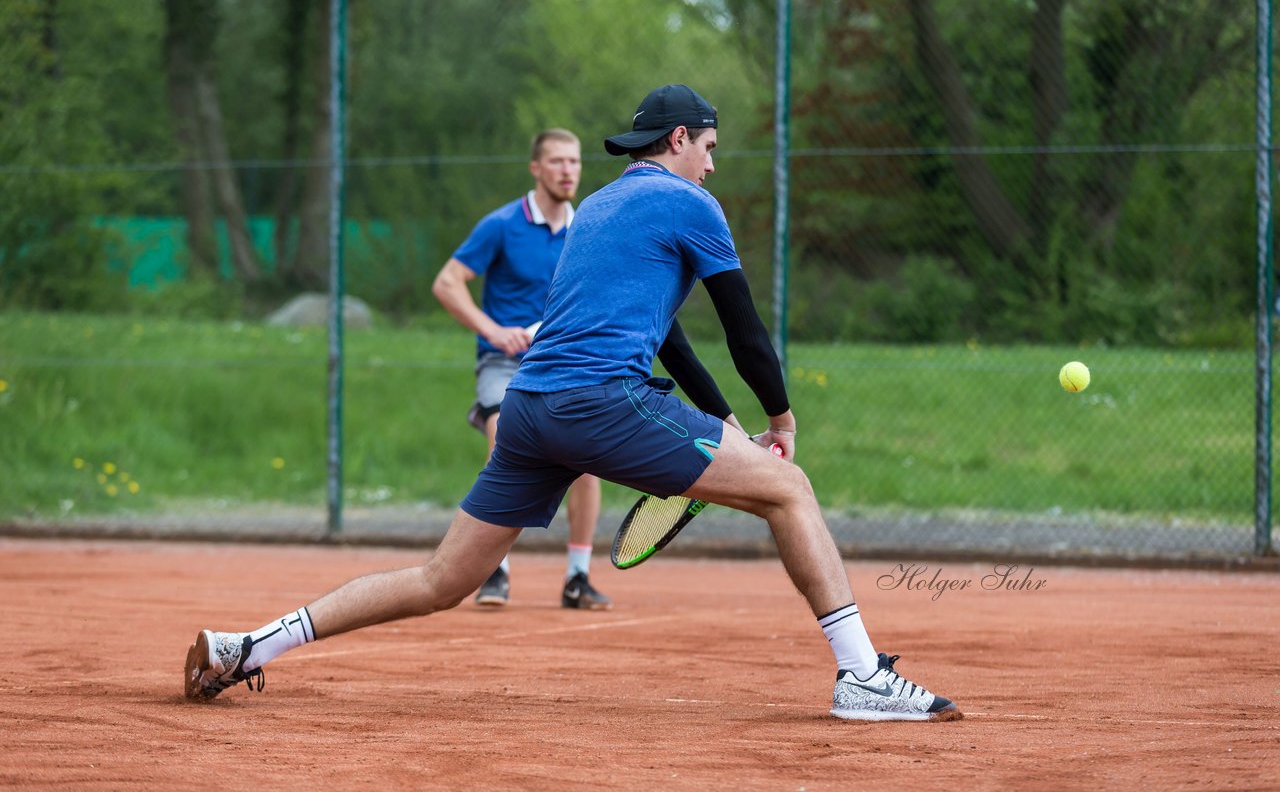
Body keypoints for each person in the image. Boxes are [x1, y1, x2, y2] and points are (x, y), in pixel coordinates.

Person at [184, 84, 962, 723]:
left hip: (528, 411)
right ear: (682, 139)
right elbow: (744, 327)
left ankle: (246, 646)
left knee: (441, 581)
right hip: (601, 402)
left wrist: (725, 421)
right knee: (789, 490)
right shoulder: (692, 207)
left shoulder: (594, 209)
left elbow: (669, 341)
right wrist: (781, 421)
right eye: (712, 149)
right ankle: (862, 676)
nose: (715, 167)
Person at [431, 128, 610, 611]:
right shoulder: (502, 224)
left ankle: (578, 577)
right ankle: (494, 571)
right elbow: (448, 284)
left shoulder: (590, 227)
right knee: (503, 433)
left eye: (573, 161)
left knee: (588, 457)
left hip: (565, 364)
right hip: (504, 363)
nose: (567, 170)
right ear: (536, 168)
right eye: (556, 161)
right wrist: (493, 331)